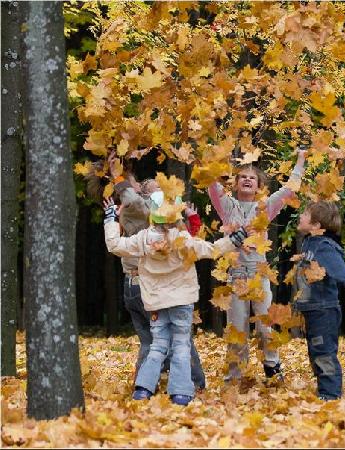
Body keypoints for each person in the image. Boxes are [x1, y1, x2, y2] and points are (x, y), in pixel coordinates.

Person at [103, 192, 248, 405]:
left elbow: (115, 245)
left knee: (158, 344)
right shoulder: (182, 240)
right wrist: (234, 240)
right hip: (181, 301)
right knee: (180, 345)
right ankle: (180, 392)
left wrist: (110, 219)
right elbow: (211, 250)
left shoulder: (143, 239)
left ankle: (143, 389)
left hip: (155, 302)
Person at [208, 149, 306, 382]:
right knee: (237, 329)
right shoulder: (227, 206)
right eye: (243, 176)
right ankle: (234, 375)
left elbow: (289, 190)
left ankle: (272, 367)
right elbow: (212, 186)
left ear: (259, 185)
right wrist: (217, 157)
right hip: (237, 277)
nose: (247, 179)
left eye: (252, 177)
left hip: (259, 276)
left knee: (265, 326)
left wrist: (301, 159)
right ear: (235, 183)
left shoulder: (265, 207)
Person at [110, 168, 205, 389]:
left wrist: (191, 218)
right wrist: (118, 177)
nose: (163, 193)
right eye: (157, 189)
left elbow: (189, 239)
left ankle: (143, 387)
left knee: (150, 342)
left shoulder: (142, 217)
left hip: (133, 285)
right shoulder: (143, 212)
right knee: (179, 338)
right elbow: (134, 198)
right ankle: (194, 383)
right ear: (144, 195)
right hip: (149, 287)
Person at [292, 201, 345, 400]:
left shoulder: (323, 246)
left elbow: (337, 266)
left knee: (324, 352)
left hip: (324, 310)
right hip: (313, 309)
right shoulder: (309, 242)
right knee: (316, 351)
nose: (300, 216)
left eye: (305, 214)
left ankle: (330, 395)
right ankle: (325, 389)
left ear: (316, 225)